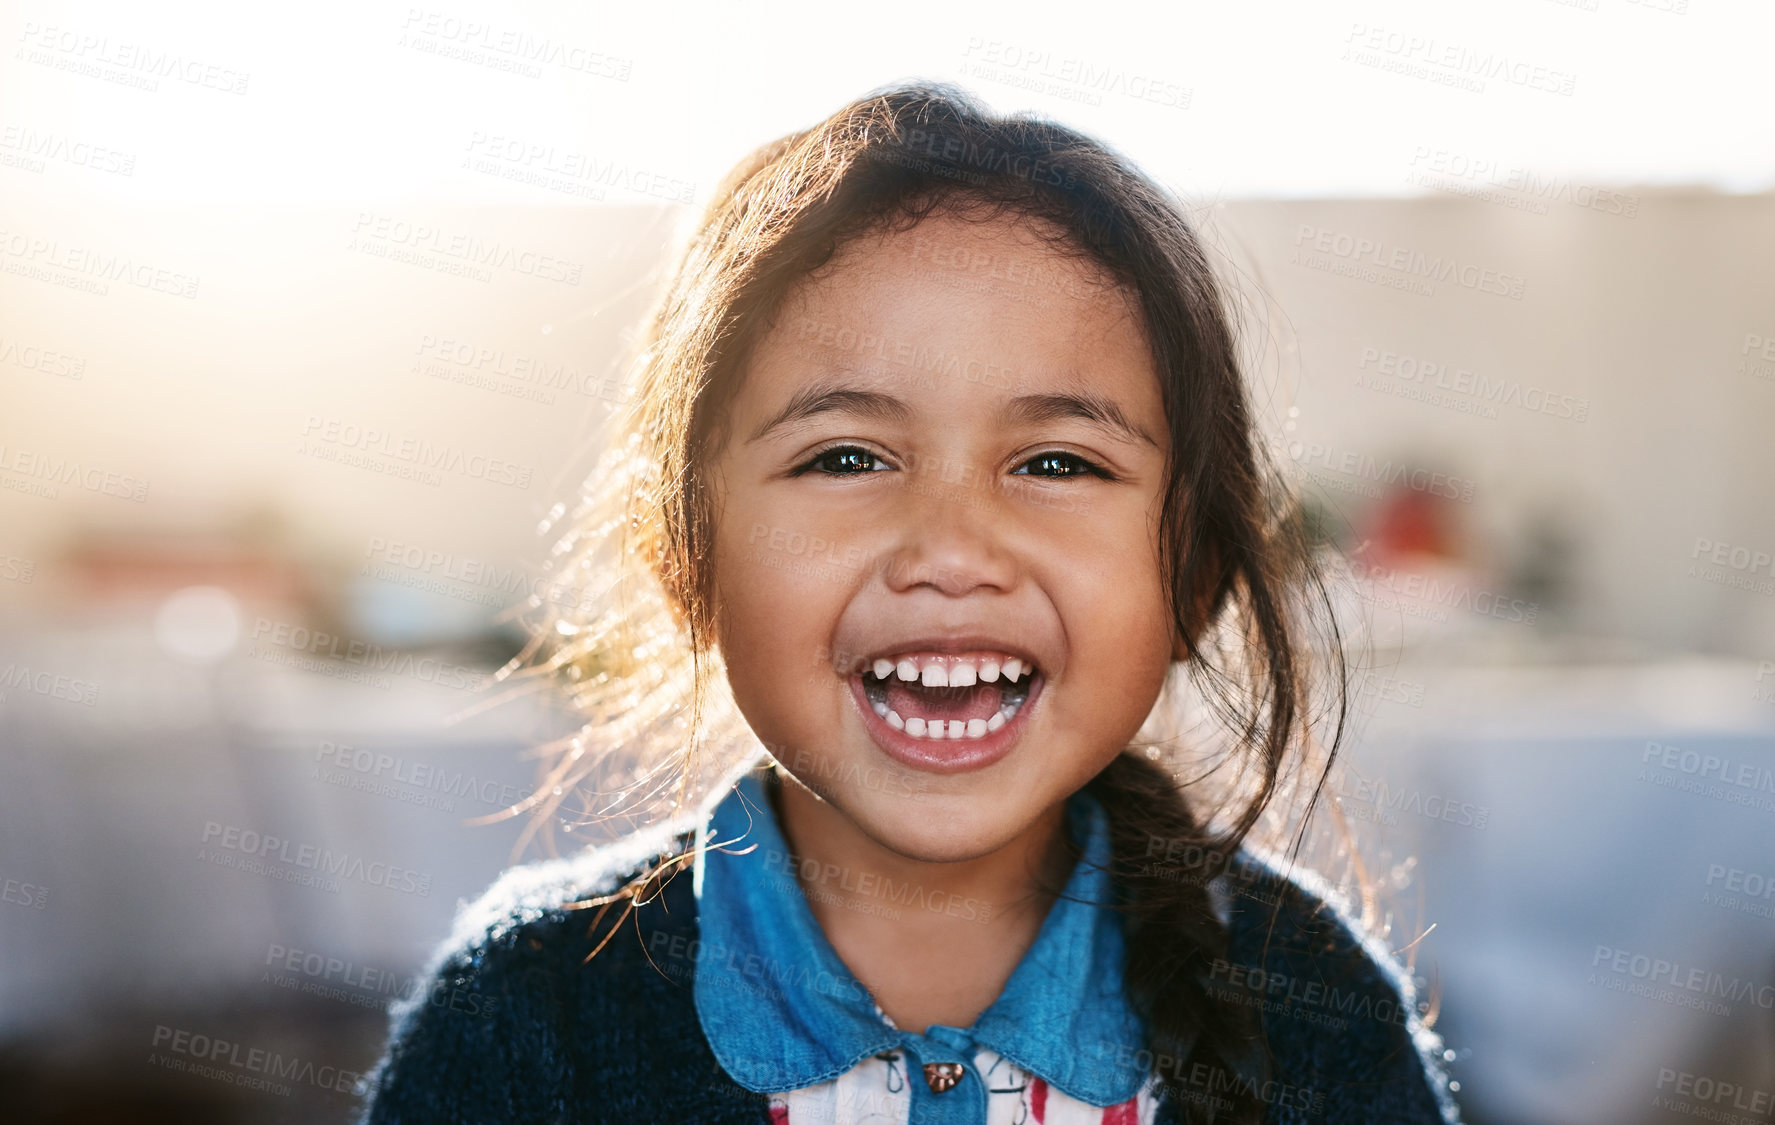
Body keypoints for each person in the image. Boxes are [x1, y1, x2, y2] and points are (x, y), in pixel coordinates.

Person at [355, 82, 1465, 1124]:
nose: (948, 551)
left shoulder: (1310, 1007)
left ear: (1195, 579)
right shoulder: (524, 1020)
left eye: (1056, 464)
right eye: (844, 457)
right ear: (687, 555)